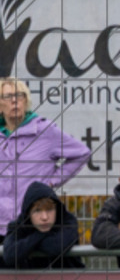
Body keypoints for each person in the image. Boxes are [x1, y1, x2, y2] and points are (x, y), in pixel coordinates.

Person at [0, 77, 90, 238]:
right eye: (7, 97)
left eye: (20, 95)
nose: (15, 101)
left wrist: (50, 182)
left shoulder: (44, 131)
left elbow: (81, 153)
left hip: (30, 225)